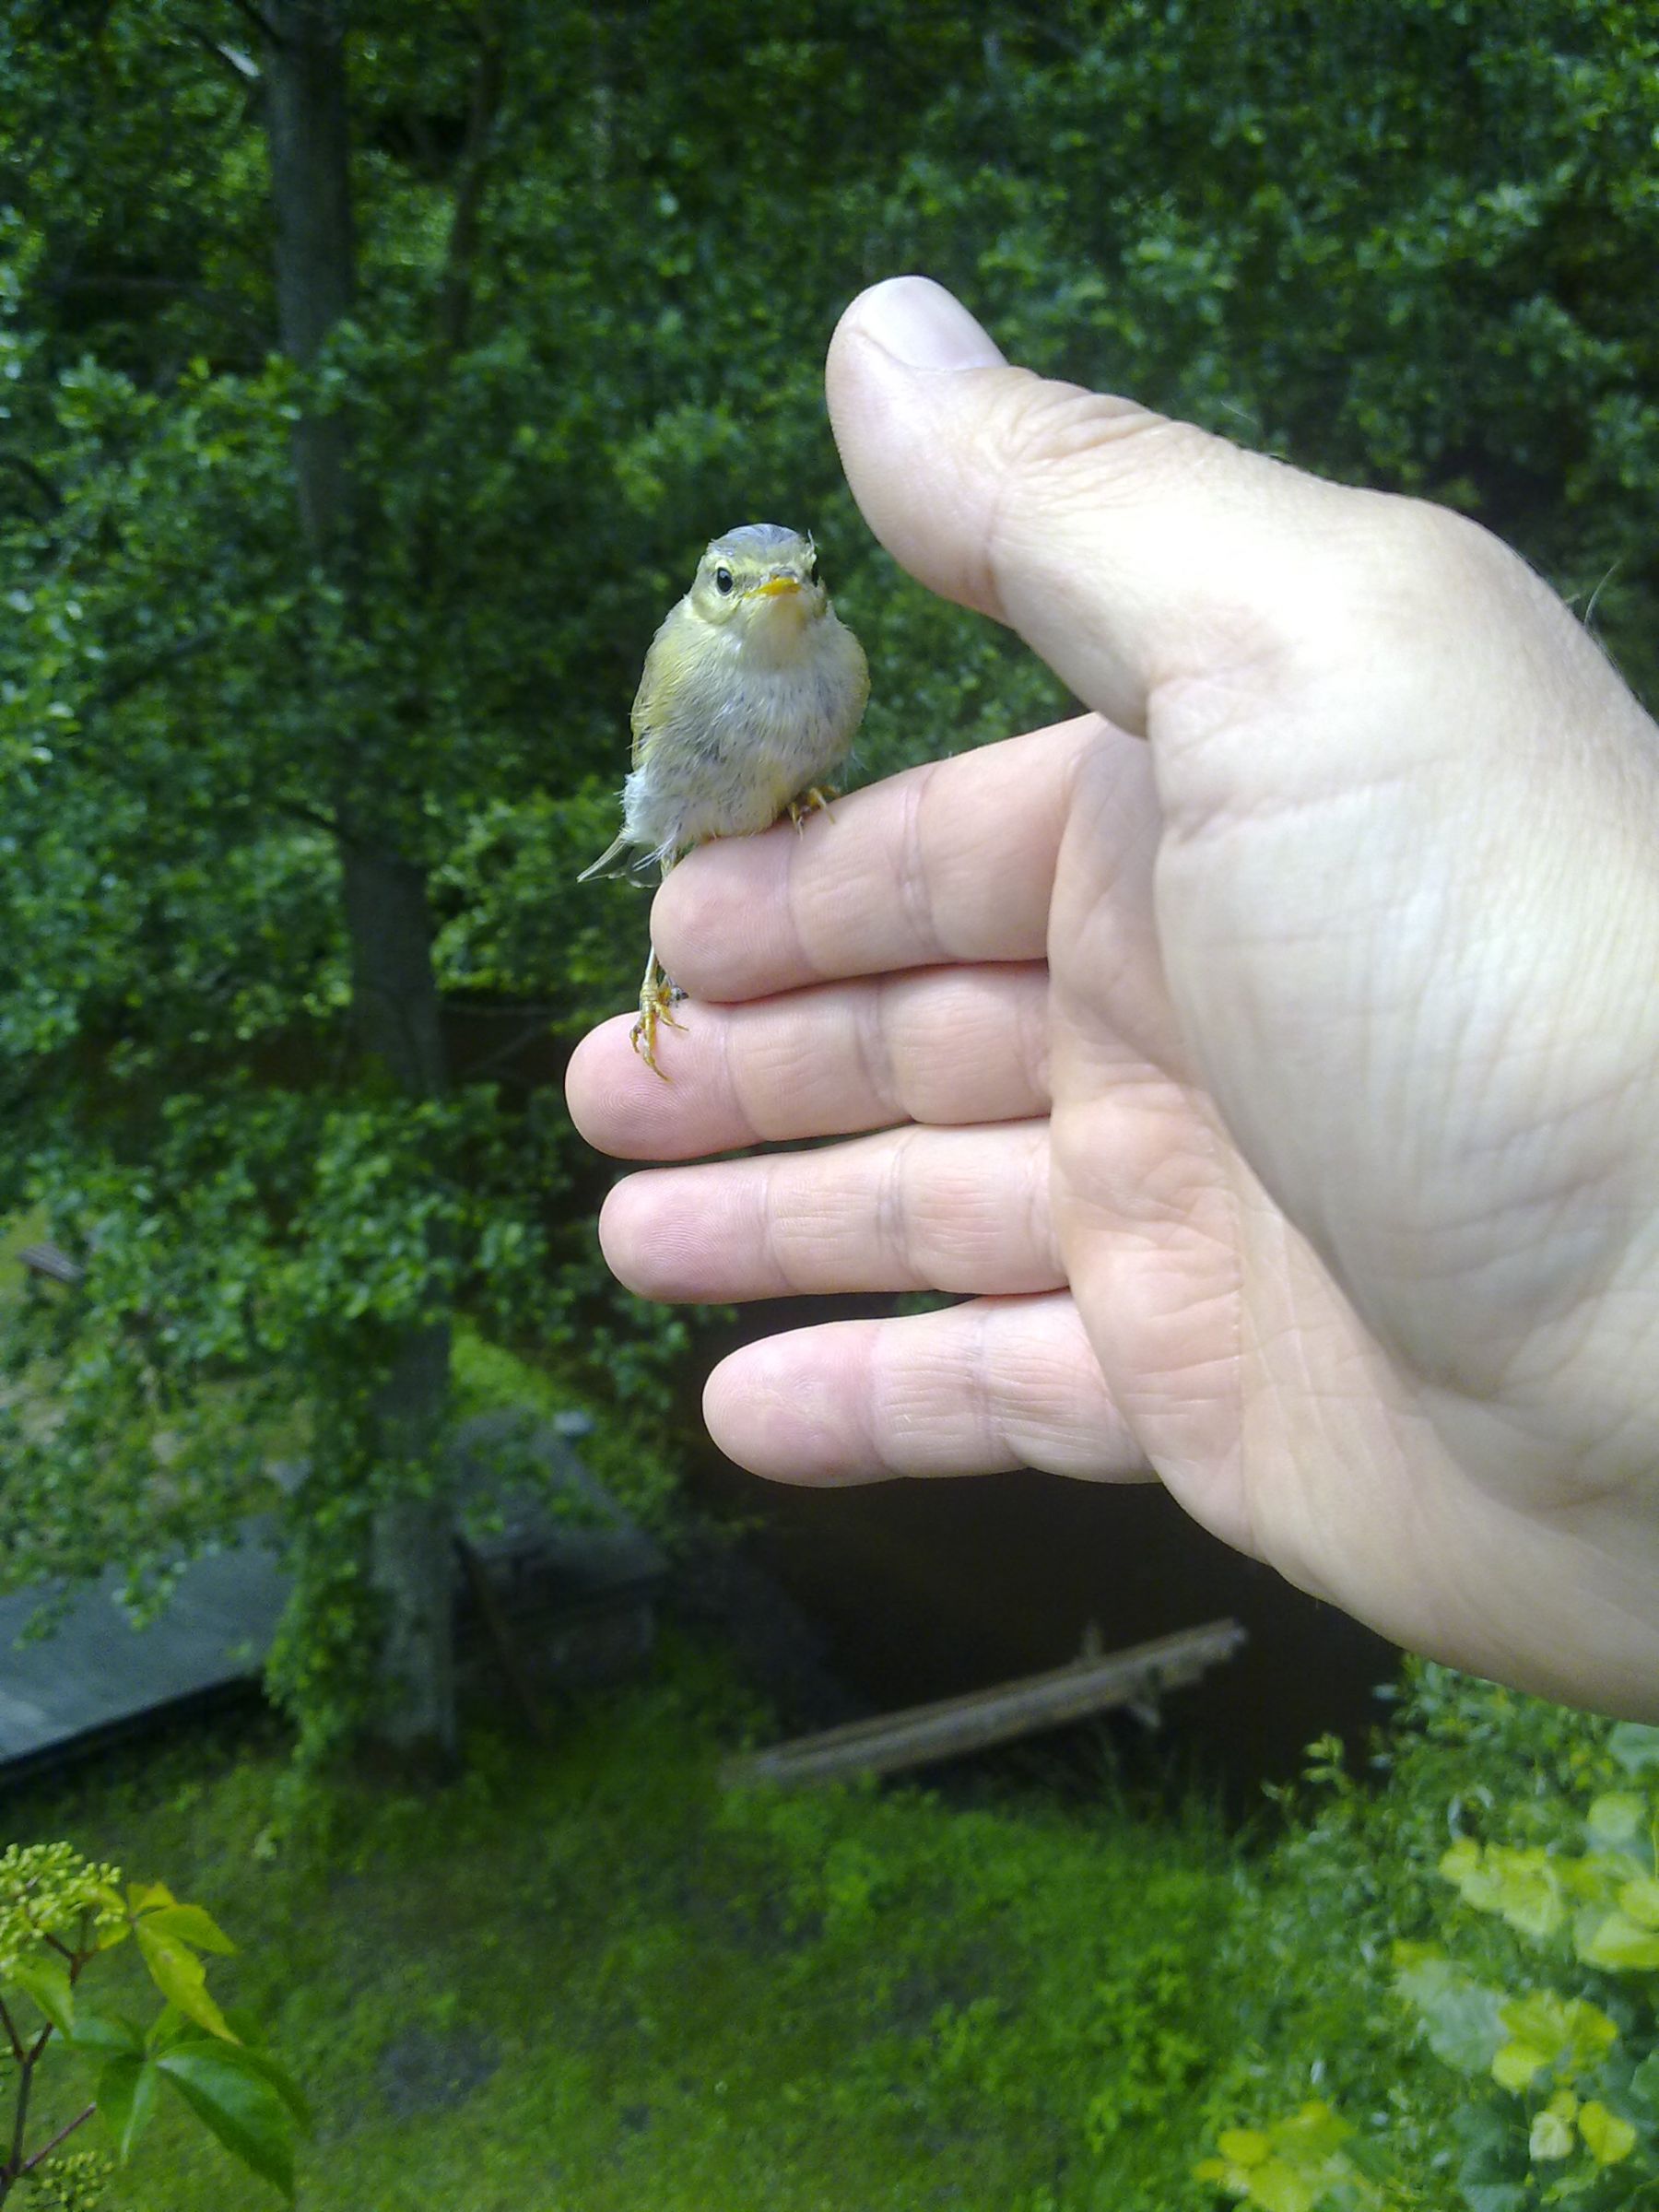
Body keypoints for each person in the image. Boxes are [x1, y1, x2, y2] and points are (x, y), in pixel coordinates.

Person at [565, 276, 1659, 1723]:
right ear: (706, 599)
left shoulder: (834, 668)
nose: (771, 597)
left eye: (796, 579)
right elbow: (656, 787)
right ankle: (662, 971)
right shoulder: (684, 671)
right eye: (734, 586)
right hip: (702, 837)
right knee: (694, 910)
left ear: (816, 591)